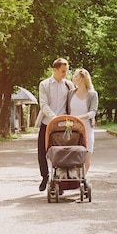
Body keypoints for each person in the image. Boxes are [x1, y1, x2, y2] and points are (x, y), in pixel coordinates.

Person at [36, 58, 73, 191]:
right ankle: (45, 177)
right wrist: (54, 118)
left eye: (66, 71)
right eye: (63, 71)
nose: (65, 74)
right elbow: (43, 104)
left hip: (65, 125)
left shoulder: (69, 85)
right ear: (55, 70)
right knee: (42, 152)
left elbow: (72, 103)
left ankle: (59, 180)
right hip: (48, 122)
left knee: (62, 153)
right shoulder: (45, 84)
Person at [67, 68, 99, 174]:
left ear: (81, 79)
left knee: (86, 158)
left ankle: (82, 179)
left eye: (75, 76)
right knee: (73, 157)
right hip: (71, 128)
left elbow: (93, 113)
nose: (73, 78)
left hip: (87, 128)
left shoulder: (92, 94)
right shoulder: (71, 93)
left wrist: (79, 118)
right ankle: (76, 179)